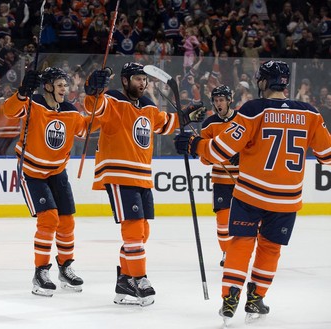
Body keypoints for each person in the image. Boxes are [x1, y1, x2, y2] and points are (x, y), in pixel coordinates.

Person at [174, 60, 331, 324]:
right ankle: (256, 298)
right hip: (287, 199)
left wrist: (194, 144)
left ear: (263, 82)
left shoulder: (253, 110)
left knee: (241, 242)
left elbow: (219, 151)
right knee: (270, 248)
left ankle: (231, 296)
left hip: (250, 194)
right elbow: (327, 155)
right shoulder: (311, 113)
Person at [83, 62, 205, 306]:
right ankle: (140, 279)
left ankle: (125, 280)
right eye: (137, 78)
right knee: (133, 227)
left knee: (142, 231)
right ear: (125, 80)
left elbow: (164, 123)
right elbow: (94, 107)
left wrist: (186, 115)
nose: (143, 83)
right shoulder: (113, 99)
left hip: (142, 174)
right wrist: (92, 88)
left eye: (144, 79)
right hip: (118, 172)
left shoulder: (148, 105)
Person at [2, 67, 96, 297]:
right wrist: (22, 92)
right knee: (48, 219)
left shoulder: (70, 111)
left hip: (57, 172)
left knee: (66, 222)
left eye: (66, 84)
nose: (66, 89)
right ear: (48, 86)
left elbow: (87, 128)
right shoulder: (32, 104)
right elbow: (10, 110)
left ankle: (65, 268)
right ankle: (41, 272)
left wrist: (97, 96)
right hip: (32, 171)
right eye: (60, 84)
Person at [200, 85, 239, 267]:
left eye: (221, 100)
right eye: (216, 101)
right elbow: (203, 157)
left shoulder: (242, 119)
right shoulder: (209, 124)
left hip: (244, 179)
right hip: (221, 181)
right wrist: (210, 156)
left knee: (250, 220)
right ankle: (227, 252)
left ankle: (246, 251)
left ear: (229, 100)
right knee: (223, 220)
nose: (218, 103)